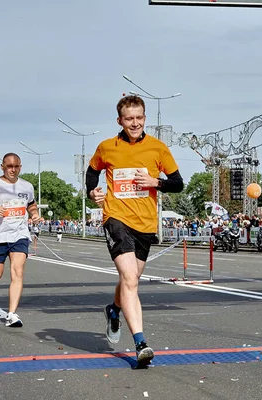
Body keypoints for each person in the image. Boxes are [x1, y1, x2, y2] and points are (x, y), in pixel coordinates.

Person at [86, 95, 184, 368]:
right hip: (115, 217)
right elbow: (91, 172)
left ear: (145, 118)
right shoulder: (107, 147)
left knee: (131, 279)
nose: (135, 123)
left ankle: (114, 310)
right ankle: (140, 342)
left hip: (145, 224)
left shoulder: (158, 148)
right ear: (120, 120)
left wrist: (156, 182)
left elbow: (178, 183)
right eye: (129, 119)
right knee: (129, 277)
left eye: (139, 118)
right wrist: (92, 191)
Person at [0, 153, 40, 328]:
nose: (13, 169)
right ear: (2, 166)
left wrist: (34, 214)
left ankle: (11, 314)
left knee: (17, 272)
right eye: (9, 166)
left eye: (16, 166)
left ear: (20, 167)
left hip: (19, 234)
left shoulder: (27, 186)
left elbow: (31, 204)